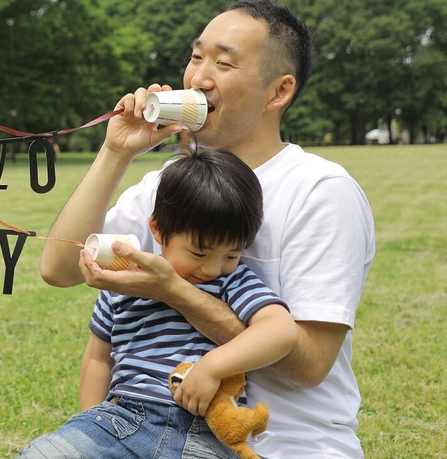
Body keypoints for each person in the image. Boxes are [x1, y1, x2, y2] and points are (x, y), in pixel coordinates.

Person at [38, 0, 376, 458]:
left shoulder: (320, 190)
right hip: (146, 434)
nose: (198, 77)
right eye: (196, 57)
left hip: (287, 446)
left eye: (223, 62)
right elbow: (60, 266)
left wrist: (173, 290)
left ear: (278, 92)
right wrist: (116, 152)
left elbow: (311, 363)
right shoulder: (164, 186)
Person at [17, 146, 299, 458]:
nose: (212, 268)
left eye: (232, 254)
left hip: (205, 433)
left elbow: (281, 330)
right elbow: (98, 358)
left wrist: (212, 367)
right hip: (121, 421)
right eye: (199, 253)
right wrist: (90, 420)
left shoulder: (234, 281)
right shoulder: (122, 283)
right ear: (159, 230)